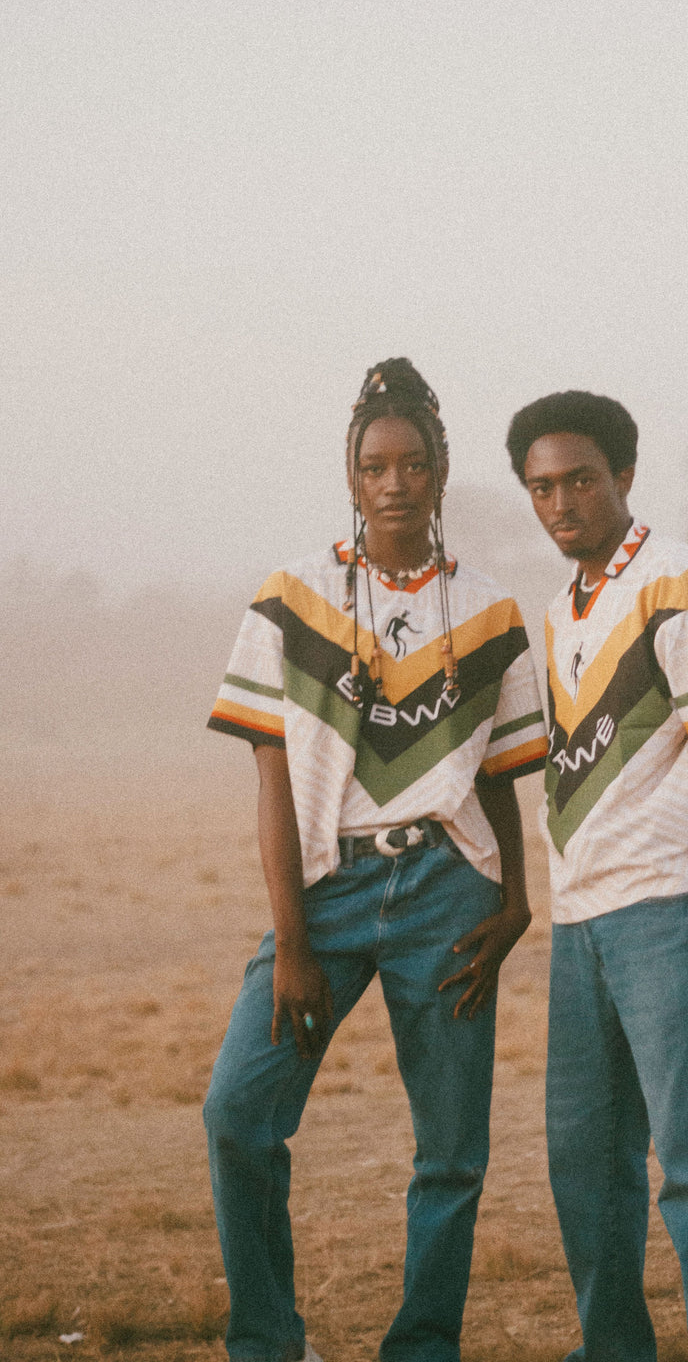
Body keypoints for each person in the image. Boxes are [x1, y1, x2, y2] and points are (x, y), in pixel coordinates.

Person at [204, 359, 548, 1362]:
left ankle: (422, 1346)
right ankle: (268, 1342)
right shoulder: (289, 601)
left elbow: (499, 777)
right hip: (328, 890)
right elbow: (273, 784)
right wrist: (297, 941)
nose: (394, 482)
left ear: (440, 473)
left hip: (451, 890)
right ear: (349, 477)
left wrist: (518, 899)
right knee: (237, 1116)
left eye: (413, 463)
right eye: (374, 466)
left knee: (451, 1151)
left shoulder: (489, 611)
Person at [506, 389, 688, 1362]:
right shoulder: (559, 608)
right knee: (586, 1167)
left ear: (623, 474)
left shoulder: (682, 580)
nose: (561, 502)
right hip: (582, 919)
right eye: (541, 487)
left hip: (667, 909)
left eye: (580, 478)